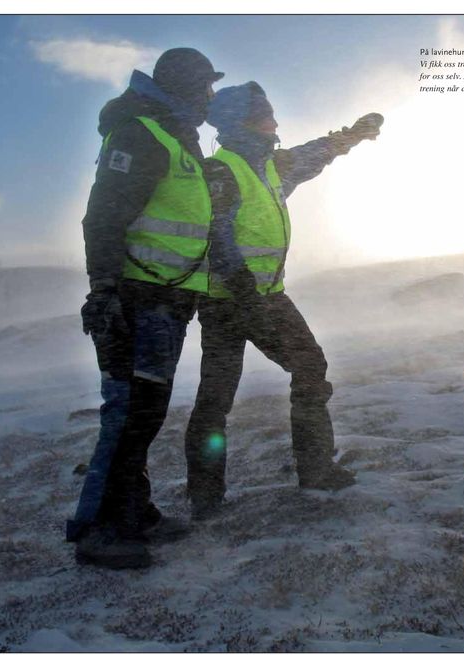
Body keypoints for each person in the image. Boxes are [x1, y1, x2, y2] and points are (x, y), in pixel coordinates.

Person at [185, 82, 383, 520]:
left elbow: (315, 153)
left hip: (258, 297)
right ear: (243, 123)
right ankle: (212, 492)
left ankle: (300, 473)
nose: (275, 123)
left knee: (245, 387)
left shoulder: (271, 165)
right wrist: (244, 292)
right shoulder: (222, 170)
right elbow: (216, 233)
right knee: (227, 394)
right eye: (266, 116)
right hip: (235, 300)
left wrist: (354, 133)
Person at [67, 48, 224, 569]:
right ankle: (101, 528)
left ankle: (134, 509)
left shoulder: (177, 139)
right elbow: (104, 217)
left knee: (145, 412)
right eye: (206, 87)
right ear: (185, 86)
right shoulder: (142, 134)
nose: (210, 97)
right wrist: (104, 290)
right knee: (132, 413)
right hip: (139, 299)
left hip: (168, 301)